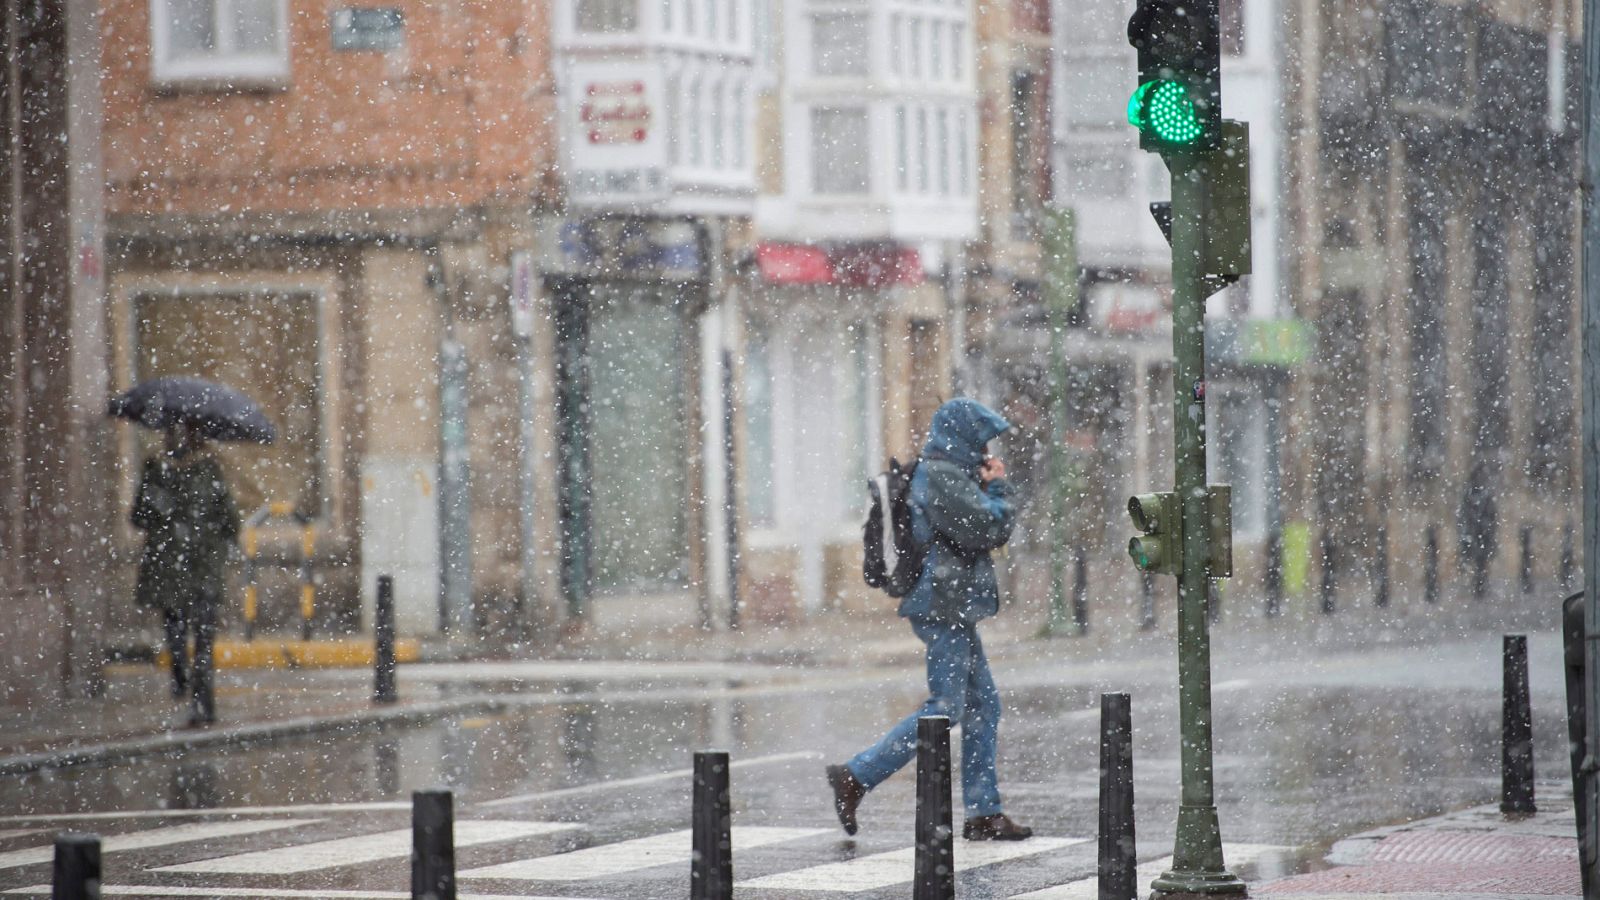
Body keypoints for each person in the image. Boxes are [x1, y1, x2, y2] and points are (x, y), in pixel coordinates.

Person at [827, 398, 1033, 840]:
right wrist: (998, 488)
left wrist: (983, 484)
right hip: (943, 605)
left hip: (952, 603)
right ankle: (856, 776)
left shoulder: (948, 473)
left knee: (983, 705)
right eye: (979, 441)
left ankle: (984, 812)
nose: (985, 451)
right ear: (959, 437)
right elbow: (988, 528)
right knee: (946, 708)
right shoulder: (939, 477)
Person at [132, 422, 240, 726]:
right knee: (204, 635)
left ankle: (181, 673)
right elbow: (231, 519)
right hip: (203, 565)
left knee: (175, 625)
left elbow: (138, 516)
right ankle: (203, 700)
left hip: (169, 565)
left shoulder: (156, 469)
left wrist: (161, 508)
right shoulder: (210, 470)